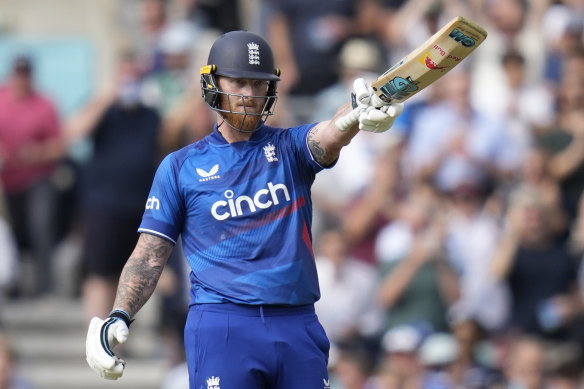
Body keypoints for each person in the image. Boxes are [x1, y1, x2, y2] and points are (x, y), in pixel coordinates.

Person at [85, 30, 404, 388]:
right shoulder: (180, 167)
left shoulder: (290, 148)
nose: (249, 95)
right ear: (213, 83)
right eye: (238, 82)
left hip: (297, 323)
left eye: (258, 85)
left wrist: (357, 116)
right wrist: (119, 314)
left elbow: (330, 132)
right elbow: (149, 254)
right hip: (223, 325)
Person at [0, 55, 65, 296]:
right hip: (6, 180)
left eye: (25, 74)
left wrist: (38, 153)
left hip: (37, 177)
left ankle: (45, 285)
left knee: (41, 226)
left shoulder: (44, 104)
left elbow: (60, 145)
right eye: (18, 74)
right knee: (10, 232)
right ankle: (11, 285)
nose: (21, 79)